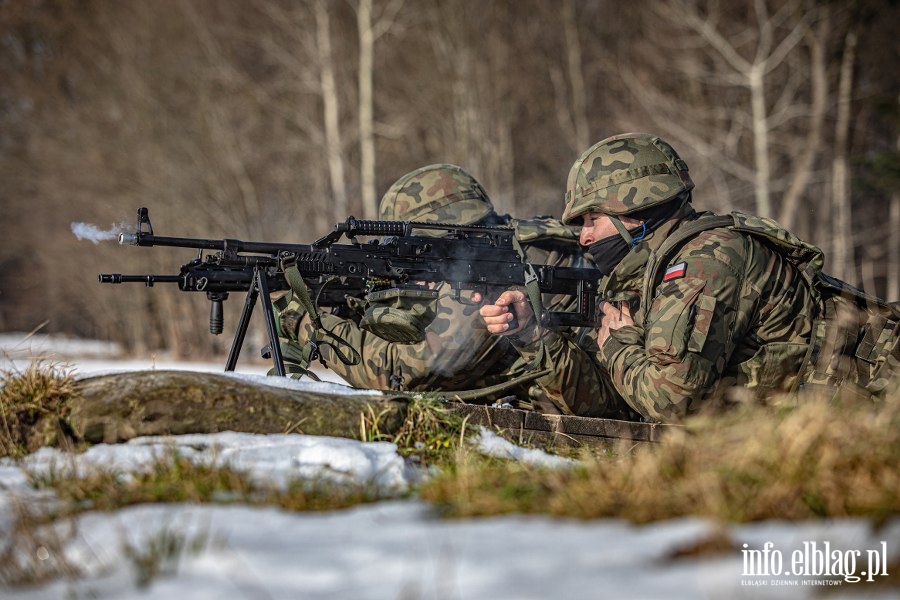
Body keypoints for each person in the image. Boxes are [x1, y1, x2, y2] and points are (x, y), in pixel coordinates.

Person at [481, 132, 900, 422]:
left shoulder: (706, 260)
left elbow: (670, 400)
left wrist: (619, 345)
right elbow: (616, 406)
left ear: (638, 211)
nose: (584, 236)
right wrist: (535, 336)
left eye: (593, 218)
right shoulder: (646, 275)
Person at [275, 163, 628, 417]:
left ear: (450, 231)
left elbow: (400, 374)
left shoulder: (495, 270)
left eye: (418, 245)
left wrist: (303, 320)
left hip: (600, 405)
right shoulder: (510, 241)